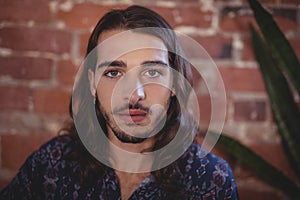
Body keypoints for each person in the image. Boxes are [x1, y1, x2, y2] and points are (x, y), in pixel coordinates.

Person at [1, 5, 239, 199]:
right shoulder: (52, 164)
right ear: (93, 84)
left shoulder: (208, 180)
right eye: (114, 73)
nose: (134, 95)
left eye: (152, 73)